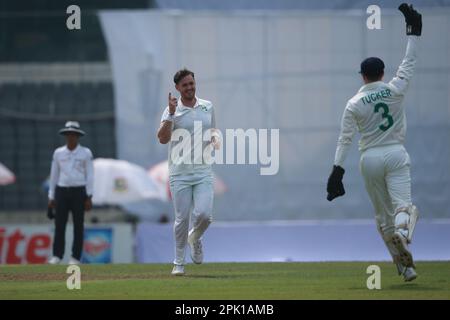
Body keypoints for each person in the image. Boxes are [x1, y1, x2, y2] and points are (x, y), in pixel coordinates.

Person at [326, 4, 422, 282]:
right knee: (404, 207)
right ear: (382, 73)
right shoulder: (394, 90)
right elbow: (409, 64)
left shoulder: (354, 103)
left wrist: (336, 170)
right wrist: (413, 33)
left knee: (383, 218)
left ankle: (406, 268)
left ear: (363, 76)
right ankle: (404, 232)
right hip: (395, 153)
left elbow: (345, 139)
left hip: (369, 159)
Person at [157, 68, 220, 276]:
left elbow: (213, 131)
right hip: (179, 173)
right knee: (181, 219)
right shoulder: (171, 111)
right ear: (177, 88)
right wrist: (172, 115)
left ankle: (195, 238)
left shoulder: (207, 106)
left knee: (205, 216)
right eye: (185, 85)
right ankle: (178, 263)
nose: (189, 87)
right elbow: (162, 138)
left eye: (191, 83)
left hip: (203, 171)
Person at [47, 121, 94, 265]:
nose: (71, 137)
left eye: (74, 134)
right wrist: (51, 195)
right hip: (62, 190)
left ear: (78, 136)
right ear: (65, 136)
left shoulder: (86, 153)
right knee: (59, 224)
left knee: (78, 225)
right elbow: (54, 175)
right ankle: (57, 255)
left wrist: (89, 196)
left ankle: (75, 257)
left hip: (79, 191)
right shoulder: (58, 153)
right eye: (68, 134)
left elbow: (90, 175)